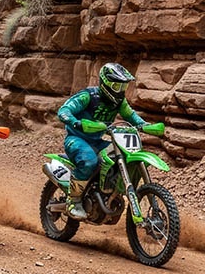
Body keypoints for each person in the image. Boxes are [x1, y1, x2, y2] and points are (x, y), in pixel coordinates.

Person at [56, 63, 146, 220]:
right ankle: (73, 201)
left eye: (123, 86)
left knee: (121, 157)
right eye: (117, 85)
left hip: (98, 141)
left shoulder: (119, 102)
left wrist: (144, 125)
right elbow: (64, 111)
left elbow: (130, 116)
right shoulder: (88, 96)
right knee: (89, 161)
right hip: (77, 139)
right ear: (105, 83)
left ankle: (108, 192)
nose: (120, 90)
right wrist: (76, 122)